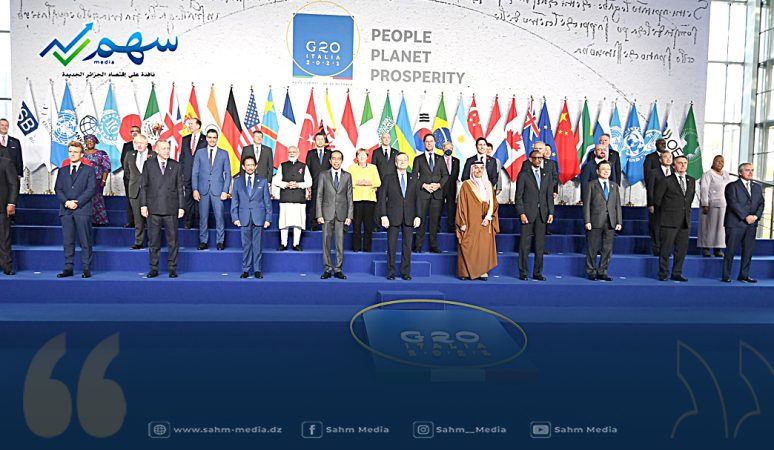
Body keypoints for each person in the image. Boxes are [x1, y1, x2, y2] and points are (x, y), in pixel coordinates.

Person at [140, 140, 185, 278]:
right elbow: (144, 186)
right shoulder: (148, 164)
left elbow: (180, 187)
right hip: (153, 208)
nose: (167, 151)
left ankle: (172, 268)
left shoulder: (176, 165)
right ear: (156, 150)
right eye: (164, 148)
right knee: (154, 241)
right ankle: (154, 268)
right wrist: (143, 205)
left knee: (173, 241)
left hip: (171, 209)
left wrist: (181, 207)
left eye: (168, 148)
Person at [54, 141, 96, 278]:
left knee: (85, 241)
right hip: (66, 210)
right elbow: (58, 189)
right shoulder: (62, 170)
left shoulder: (89, 170)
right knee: (68, 241)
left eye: (75, 152)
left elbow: (91, 189)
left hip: (82, 210)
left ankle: (86, 268)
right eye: (70, 151)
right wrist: (67, 202)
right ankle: (68, 268)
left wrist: (77, 202)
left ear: (81, 154)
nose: (72, 154)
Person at [378, 152, 421, 280]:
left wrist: (418, 216)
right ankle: (391, 272)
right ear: (395, 163)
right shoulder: (388, 178)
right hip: (392, 217)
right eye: (400, 160)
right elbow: (382, 198)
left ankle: (405, 272)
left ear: (408, 163)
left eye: (405, 160)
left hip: (409, 216)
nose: (402, 162)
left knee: (407, 246)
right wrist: (383, 215)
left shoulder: (414, 178)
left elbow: (418, 199)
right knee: (391, 246)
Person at [653, 155, 695, 282]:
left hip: (685, 221)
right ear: (674, 165)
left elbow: (689, 199)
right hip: (669, 221)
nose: (683, 165)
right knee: (665, 249)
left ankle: (677, 272)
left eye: (685, 163)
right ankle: (663, 273)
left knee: (681, 250)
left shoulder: (691, 180)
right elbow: (657, 200)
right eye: (680, 163)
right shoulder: (666, 180)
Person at [456, 160, 499, 281]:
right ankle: (465, 272)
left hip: (485, 220)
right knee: (468, 244)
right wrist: (462, 222)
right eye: (476, 168)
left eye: (481, 168)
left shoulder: (488, 184)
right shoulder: (466, 185)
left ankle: (482, 271)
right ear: (472, 170)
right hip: (470, 220)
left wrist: (488, 217)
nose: (479, 170)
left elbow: (493, 203)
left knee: (483, 246)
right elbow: (461, 205)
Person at [515, 149, 554, 281]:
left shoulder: (546, 174)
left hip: (542, 214)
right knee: (524, 245)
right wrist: (521, 213)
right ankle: (523, 272)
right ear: (530, 159)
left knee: (539, 245)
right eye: (535, 158)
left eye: (540, 158)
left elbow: (549, 195)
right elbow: (518, 197)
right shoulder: (523, 175)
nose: (538, 160)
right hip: (527, 213)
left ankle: (537, 273)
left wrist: (551, 212)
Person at [722, 163, 765, 283]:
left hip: (752, 224)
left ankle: (744, 275)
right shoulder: (731, 186)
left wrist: (755, 216)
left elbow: (761, 203)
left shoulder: (757, 187)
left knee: (748, 251)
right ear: (740, 172)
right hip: (735, 224)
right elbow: (733, 203)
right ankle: (726, 275)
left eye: (752, 170)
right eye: (747, 170)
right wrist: (745, 217)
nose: (750, 172)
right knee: (730, 251)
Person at [231, 155, 272, 279]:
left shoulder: (263, 181)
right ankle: (246, 269)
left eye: (252, 165)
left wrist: (268, 219)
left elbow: (267, 201)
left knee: (257, 246)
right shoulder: (237, 182)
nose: (250, 167)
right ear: (243, 167)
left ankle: (257, 270)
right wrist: (235, 217)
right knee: (246, 246)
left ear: (256, 166)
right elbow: (234, 201)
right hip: (243, 218)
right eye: (247, 165)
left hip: (259, 218)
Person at [583, 160, 622, 281]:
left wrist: (619, 221)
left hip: (610, 221)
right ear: (597, 171)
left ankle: (602, 272)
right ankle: (591, 271)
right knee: (592, 248)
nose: (606, 171)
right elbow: (586, 204)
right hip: (595, 221)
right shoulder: (591, 185)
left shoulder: (614, 186)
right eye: (603, 169)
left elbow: (617, 205)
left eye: (608, 169)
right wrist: (587, 221)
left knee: (607, 249)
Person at [316, 150, 353, 279]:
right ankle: (327, 269)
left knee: (339, 243)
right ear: (330, 160)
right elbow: (319, 195)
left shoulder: (347, 176)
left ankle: (338, 269)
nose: (336, 161)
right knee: (326, 243)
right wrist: (319, 214)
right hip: (326, 214)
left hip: (342, 214)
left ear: (342, 161)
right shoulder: (323, 175)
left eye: (338, 159)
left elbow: (350, 197)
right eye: (334, 158)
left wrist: (349, 216)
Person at [192, 129, 230, 251]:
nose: (212, 139)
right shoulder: (199, 153)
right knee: (203, 217)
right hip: (202, 190)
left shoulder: (224, 153)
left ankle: (220, 241)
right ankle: (203, 241)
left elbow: (228, 174)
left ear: (217, 138)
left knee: (219, 217)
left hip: (218, 191)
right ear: (206, 138)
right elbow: (195, 172)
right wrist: (195, 189)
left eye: (214, 137)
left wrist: (225, 190)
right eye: (210, 137)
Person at [413, 133, 449, 253]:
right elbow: (414, 176)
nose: (429, 143)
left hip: (437, 195)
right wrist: (424, 185)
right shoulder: (418, 159)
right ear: (424, 143)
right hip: (423, 194)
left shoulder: (440, 158)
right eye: (427, 141)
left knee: (434, 221)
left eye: (431, 141)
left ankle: (433, 246)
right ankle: (418, 246)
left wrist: (438, 185)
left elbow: (445, 175)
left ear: (434, 143)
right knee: (421, 220)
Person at [273, 145, 312, 251]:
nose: (292, 153)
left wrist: (298, 185)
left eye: (294, 152)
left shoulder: (304, 166)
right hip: (285, 199)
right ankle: (283, 243)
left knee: (298, 223)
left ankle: (296, 244)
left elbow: (309, 182)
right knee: (284, 223)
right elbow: (276, 181)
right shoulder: (282, 165)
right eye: (290, 152)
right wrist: (286, 184)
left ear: (298, 153)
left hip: (299, 199)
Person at [124, 134, 155, 250]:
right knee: (137, 219)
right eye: (136, 143)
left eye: (141, 142)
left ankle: (153, 242)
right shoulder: (129, 154)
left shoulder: (154, 155)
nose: (139, 145)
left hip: (150, 192)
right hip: (134, 191)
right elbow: (127, 172)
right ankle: (138, 242)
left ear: (147, 143)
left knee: (151, 219)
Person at [698, 155, 731, 257]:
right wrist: (705, 204)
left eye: (722, 161)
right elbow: (704, 189)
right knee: (708, 227)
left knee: (720, 229)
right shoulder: (708, 174)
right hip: (711, 205)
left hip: (724, 204)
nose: (720, 163)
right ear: (713, 162)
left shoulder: (726, 174)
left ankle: (718, 248)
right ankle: (706, 248)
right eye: (718, 161)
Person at [349, 148, 381, 252]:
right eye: (359, 155)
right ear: (356, 157)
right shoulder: (352, 168)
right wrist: (359, 182)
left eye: (364, 155)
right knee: (356, 225)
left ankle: (367, 248)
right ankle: (356, 247)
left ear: (367, 157)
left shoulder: (373, 167)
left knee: (368, 225)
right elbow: (349, 182)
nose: (362, 157)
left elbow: (378, 182)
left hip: (370, 200)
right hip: (356, 200)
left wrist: (368, 183)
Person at [179, 118, 207, 229]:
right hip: (187, 174)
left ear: (198, 126)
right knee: (188, 199)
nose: (189, 125)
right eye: (189, 124)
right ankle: (188, 222)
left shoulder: (205, 139)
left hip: (201, 175)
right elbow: (182, 156)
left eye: (191, 124)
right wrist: (181, 171)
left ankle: (200, 222)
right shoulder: (185, 139)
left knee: (200, 199)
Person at [646, 150, 673, 256]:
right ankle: (657, 249)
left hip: (671, 206)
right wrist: (651, 204)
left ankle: (666, 249)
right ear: (660, 160)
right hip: (657, 205)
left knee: (668, 229)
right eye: (665, 157)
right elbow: (650, 189)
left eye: (670, 157)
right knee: (656, 228)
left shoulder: (674, 171)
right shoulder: (654, 172)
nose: (668, 159)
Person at [371, 131, 399, 231]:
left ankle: (390, 224)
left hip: (393, 183)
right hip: (380, 182)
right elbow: (373, 168)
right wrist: (375, 183)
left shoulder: (396, 152)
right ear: (381, 139)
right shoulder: (376, 152)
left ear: (390, 139)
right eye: (384, 138)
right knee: (379, 204)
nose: (386, 139)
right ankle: (377, 225)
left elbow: (398, 168)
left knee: (391, 203)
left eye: (388, 138)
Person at [82, 134, 111, 226]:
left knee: (97, 199)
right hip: (83, 181)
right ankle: (87, 220)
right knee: (85, 199)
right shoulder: (82, 153)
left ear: (95, 142)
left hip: (97, 180)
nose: (90, 143)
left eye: (92, 141)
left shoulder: (102, 153)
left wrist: (104, 180)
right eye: (88, 141)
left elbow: (106, 167)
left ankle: (99, 220)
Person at [306, 131, 332, 231]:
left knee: (328, 204)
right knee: (314, 204)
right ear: (315, 141)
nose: (320, 141)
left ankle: (328, 224)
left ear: (324, 141)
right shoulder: (310, 153)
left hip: (328, 183)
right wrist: (308, 184)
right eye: (318, 139)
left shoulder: (330, 153)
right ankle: (314, 224)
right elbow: (307, 169)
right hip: (314, 183)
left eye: (322, 139)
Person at [0, 155, 18, 275]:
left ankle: (6, 266)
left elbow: (13, 184)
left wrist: (11, 202)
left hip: (2, 208)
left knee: (4, 239)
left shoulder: (6, 163)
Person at [120, 125, 141, 228]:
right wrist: (131, 176)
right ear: (130, 134)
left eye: (137, 131)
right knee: (130, 200)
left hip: (143, 179)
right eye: (132, 131)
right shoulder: (126, 145)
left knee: (144, 200)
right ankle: (131, 221)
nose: (135, 132)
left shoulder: (148, 145)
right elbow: (123, 161)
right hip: (129, 178)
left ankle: (144, 222)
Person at [440, 141, 460, 233]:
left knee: (451, 208)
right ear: (443, 149)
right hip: (440, 187)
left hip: (452, 187)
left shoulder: (456, 161)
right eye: (447, 148)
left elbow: (456, 175)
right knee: (438, 208)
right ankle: (437, 227)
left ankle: (451, 227)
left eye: (450, 148)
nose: (449, 150)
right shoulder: (438, 159)